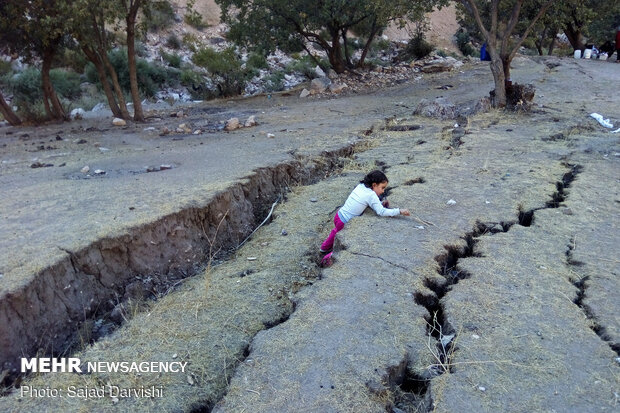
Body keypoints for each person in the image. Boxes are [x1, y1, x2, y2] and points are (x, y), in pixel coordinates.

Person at [319, 170, 410, 266]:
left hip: (339, 215)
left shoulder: (361, 186)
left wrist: (379, 203)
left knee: (335, 232)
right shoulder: (371, 195)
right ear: (374, 185)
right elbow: (381, 212)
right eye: (382, 188)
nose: (383, 191)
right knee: (343, 242)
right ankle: (329, 257)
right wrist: (399, 211)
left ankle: (323, 248)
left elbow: (363, 201)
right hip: (345, 222)